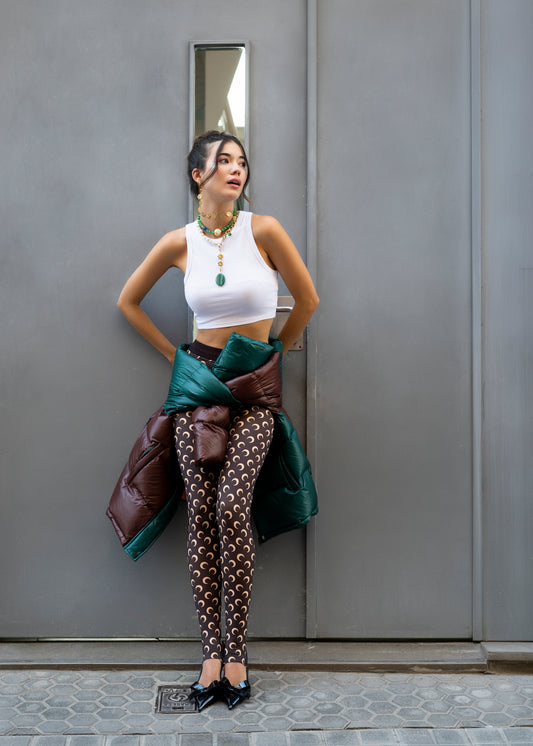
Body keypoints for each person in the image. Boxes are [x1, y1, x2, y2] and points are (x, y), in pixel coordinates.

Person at [117, 130, 319, 710]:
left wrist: (276, 352)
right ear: (198, 175)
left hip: (252, 386)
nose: (236, 169)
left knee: (232, 505)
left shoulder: (265, 230)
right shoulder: (177, 242)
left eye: (241, 162)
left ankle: (238, 652)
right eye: (224, 160)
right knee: (201, 513)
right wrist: (173, 357)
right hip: (198, 387)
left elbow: (307, 300)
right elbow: (128, 301)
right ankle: (212, 655)